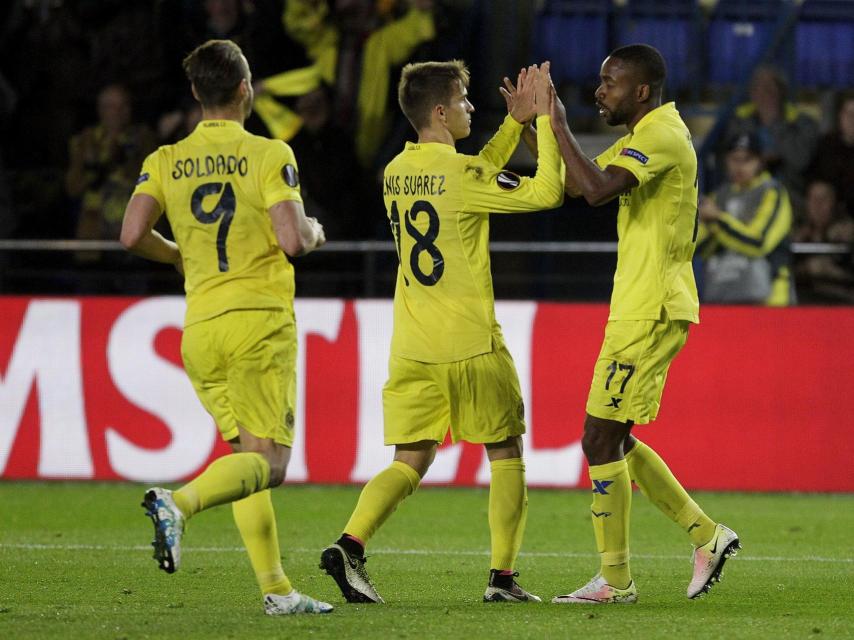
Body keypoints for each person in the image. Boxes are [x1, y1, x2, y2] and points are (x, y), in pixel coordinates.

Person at [319, 60, 564, 604]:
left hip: (411, 344)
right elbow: (546, 192)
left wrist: (508, 126)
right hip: (470, 341)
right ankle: (502, 578)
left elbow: (469, 177)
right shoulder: (460, 176)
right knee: (506, 451)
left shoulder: (395, 172)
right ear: (440, 111)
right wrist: (541, 122)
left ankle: (350, 543)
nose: (471, 108)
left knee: (411, 458)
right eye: (464, 101)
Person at [119, 39, 330, 616]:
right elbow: (291, 240)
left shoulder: (164, 160)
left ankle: (278, 590)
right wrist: (313, 229)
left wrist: (178, 257)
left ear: (195, 93)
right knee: (273, 465)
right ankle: (178, 503)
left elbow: (132, 234)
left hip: (200, 329)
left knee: (245, 459)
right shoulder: (268, 152)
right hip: (257, 326)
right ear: (246, 88)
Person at [546, 44, 740, 604]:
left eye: (609, 82)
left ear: (641, 90)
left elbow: (600, 188)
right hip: (640, 304)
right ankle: (707, 536)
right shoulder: (643, 135)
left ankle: (616, 579)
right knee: (616, 436)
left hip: (650, 307)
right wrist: (535, 127)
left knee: (598, 435)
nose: (599, 90)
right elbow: (580, 182)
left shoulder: (660, 136)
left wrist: (558, 124)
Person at [698, 132, 795, 306]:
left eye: (747, 159)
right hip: (721, 296)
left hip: (769, 298)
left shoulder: (772, 192)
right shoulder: (718, 196)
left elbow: (758, 243)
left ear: (759, 161)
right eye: (734, 159)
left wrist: (717, 220)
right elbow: (696, 246)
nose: (739, 166)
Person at [66, 83, 157, 262]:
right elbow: (72, 188)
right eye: (110, 107)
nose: (117, 112)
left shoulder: (144, 138)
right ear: (100, 110)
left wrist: (126, 155)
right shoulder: (85, 141)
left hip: (133, 232)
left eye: (123, 106)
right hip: (94, 234)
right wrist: (92, 166)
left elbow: (151, 183)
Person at [722, 65, 818, 212]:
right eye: (758, 88)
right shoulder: (740, 123)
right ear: (752, 94)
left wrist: (775, 123)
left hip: (790, 196)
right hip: (747, 196)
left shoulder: (802, 123)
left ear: (781, 92)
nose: (764, 94)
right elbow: (733, 163)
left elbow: (800, 160)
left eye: (770, 89)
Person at [793, 179, 854, 304]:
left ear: (836, 203)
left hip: (843, 303)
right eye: (812, 198)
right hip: (805, 303)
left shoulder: (847, 231)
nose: (817, 204)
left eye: (824, 198)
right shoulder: (797, 233)